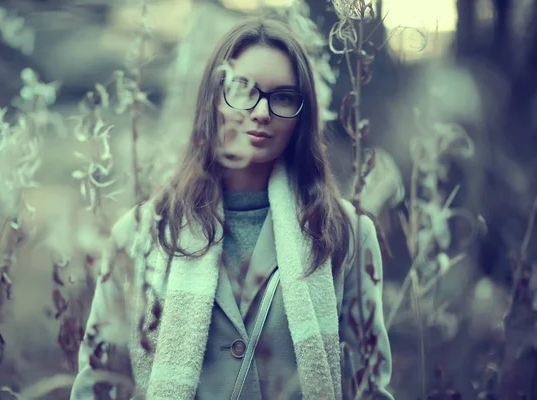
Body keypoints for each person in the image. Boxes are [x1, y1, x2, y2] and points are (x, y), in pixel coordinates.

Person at [71, 17, 394, 400]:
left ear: (302, 113)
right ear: (214, 99)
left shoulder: (346, 234)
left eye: (284, 96)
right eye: (242, 89)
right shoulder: (141, 233)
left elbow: (368, 389)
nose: (261, 112)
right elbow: (99, 385)